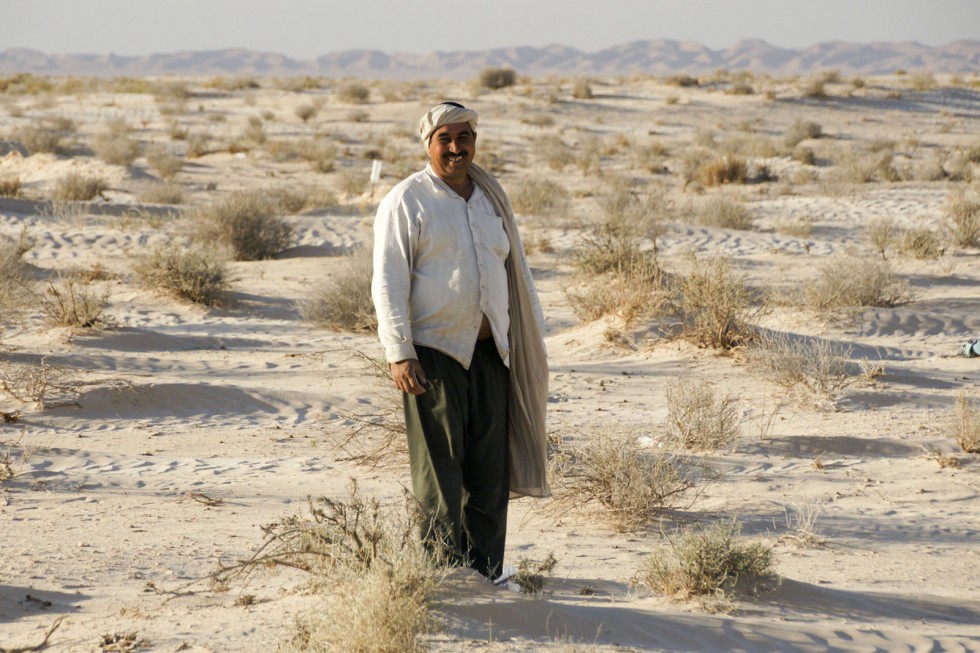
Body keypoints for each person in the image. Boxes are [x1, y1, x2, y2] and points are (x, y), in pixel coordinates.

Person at [371, 101, 550, 581]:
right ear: (427, 144)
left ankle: (485, 574)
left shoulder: (490, 197)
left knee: (488, 478)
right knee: (439, 476)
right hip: (435, 356)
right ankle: (442, 577)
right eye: (444, 139)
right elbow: (387, 281)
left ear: (475, 139)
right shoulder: (407, 200)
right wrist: (399, 353)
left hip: (494, 356)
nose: (455, 148)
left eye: (463, 137)